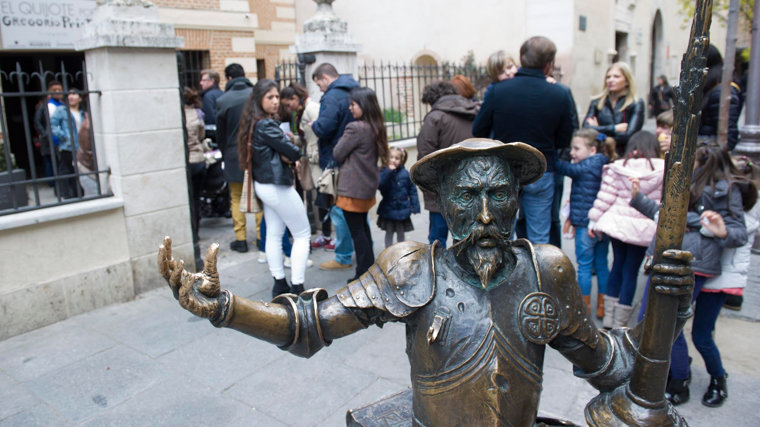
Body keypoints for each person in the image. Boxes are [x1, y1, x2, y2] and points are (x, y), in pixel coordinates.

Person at [158, 139, 697, 427]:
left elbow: (614, 368)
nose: (486, 215)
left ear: (518, 198)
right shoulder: (410, 266)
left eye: (499, 195)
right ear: (442, 202)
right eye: (468, 196)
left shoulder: (546, 270)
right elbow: (311, 325)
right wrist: (227, 308)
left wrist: (671, 304)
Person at [629, 140, 750, 407]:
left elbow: (738, 232)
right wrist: (638, 199)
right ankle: (672, 373)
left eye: (687, 158)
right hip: (667, 258)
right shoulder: (684, 184)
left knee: (673, 325)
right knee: (652, 319)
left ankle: (680, 380)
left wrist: (719, 230)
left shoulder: (724, 189)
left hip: (695, 264)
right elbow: (668, 218)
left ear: (700, 162)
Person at [473, 36, 574, 244]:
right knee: (539, 238)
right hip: (541, 169)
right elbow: (565, 139)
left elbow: (479, 129)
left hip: (505, 169)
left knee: (503, 235)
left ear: (522, 58)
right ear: (549, 64)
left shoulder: (498, 91)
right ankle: (538, 275)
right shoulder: (560, 93)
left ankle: (505, 276)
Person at [236, 79, 310, 297]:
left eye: (277, 96)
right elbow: (295, 152)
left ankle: (280, 283)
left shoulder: (253, 123)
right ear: (259, 99)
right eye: (270, 97)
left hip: (264, 185)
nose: (276, 101)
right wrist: (288, 146)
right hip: (277, 186)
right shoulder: (266, 125)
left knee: (275, 235)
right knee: (303, 233)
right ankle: (297, 286)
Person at [587, 131, 664, 328]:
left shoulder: (619, 167)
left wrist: (593, 221)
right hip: (645, 228)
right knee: (632, 271)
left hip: (618, 224)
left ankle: (608, 319)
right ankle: (621, 321)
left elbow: (606, 196)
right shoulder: (664, 170)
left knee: (617, 265)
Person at [554, 129, 616, 319]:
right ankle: (603, 308)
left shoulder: (586, 166)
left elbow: (564, 168)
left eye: (576, 148)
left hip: (584, 225)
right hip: (601, 226)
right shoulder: (603, 162)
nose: (573, 152)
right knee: (602, 265)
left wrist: (551, 154)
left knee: (584, 266)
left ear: (592, 149)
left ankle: (584, 308)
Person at [332, 87, 389, 282]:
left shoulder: (355, 128)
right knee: (362, 228)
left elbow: (337, 153)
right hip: (366, 187)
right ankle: (369, 267)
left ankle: (363, 273)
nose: (350, 108)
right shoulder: (376, 126)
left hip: (352, 189)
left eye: (353, 104)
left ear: (363, 105)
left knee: (357, 231)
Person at [310, 63, 361, 270]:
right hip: (354, 158)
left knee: (338, 210)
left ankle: (343, 257)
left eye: (318, 84)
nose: (320, 88)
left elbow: (324, 127)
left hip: (335, 159)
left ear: (324, 77)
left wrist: (313, 124)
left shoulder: (332, 96)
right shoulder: (355, 90)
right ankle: (362, 251)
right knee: (355, 209)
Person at [416, 81, 477, 247]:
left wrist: (426, 185)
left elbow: (424, 155)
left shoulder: (435, 117)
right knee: (468, 237)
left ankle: (439, 272)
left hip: (443, 188)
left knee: (437, 241)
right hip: (474, 184)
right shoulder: (475, 111)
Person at [280, 83, 328, 246]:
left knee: (324, 198)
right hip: (313, 159)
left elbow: (322, 133)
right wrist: (294, 138)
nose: (288, 109)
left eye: (288, 104)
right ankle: (326, 235)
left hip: (318, 159)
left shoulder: (311, 109)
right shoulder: (302, 110)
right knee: (320, 199)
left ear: (295, 98)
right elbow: (308, 137)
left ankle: (328, 236)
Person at [215, 63, 254, 252]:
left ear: (229, 78)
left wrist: (225, 153)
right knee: (258, 196)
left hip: (232, 153)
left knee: (236, 196)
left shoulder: (223, 100)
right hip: (255, 152)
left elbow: (220, 135)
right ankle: (262, 238)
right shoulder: (255, 95)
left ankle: (241, 239)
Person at [583, 62, 645, 156]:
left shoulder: (636, 103)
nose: (611, 80)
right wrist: (615, 129)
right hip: (599, 155)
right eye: (608, 77)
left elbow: (629, 135)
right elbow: (585, 129)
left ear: (627, 81)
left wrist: (598, 130)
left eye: (616, 76)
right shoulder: (597, 102)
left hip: (624, 155)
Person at [698, 45, 743, 150]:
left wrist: (686, 142)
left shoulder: (722, 92)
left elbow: (727, 140)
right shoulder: (713, 88)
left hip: (711, 160)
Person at [378, 147, 420, 248]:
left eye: (397, 158)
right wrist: (388, 171)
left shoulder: (405, 173)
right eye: (391, 157)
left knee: (401, 233)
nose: (393, 160)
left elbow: (412, 191)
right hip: (388, 210)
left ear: (401, 160)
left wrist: (415, 206)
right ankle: (387, 252)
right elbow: (380, 185)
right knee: (389, 233)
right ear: (386, 158)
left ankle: (400, 252)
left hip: (402, 210)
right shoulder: (383, 172)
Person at [50, 89, 88, 199]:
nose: (71, 96)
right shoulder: (61, 110)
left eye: (74, 94)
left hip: (81, 147)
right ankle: (72, 196)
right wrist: (64, 136)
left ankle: (80, 195)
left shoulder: (83, 113)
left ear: (80, 98)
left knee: (81, 171)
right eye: (69, 94)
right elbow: (52, 125)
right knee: (71, 173)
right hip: (67, 147)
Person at [183, 87, 207, 245]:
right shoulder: (197, 114)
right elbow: (201, 136)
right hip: (198, 159)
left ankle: (189, 233)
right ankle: (196, 233)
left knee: (187, 200)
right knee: (196, 198)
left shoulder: (177, 115)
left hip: (186, 161)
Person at [33, 80, 65, 186]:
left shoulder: (62, 103)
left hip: (60, 139)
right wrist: (45, 135)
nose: (57, 92)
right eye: (54, 90)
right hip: (49, 140)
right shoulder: (43, 106)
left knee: (60, 162)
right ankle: (53, 182)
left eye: (59, 90)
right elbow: (37, 121)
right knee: (50, 162)